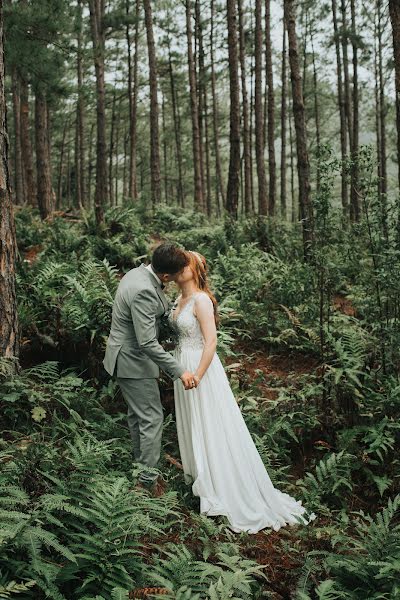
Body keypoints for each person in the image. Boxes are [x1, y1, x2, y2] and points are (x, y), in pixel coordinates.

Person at [169, 249, 317, 534]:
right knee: (192, 424)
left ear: (196, 269)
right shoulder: (178, 299)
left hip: (201, 369)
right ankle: (199, 479)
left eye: (185, 263)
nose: (180, 267)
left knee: (210, 425)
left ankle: (222, 486)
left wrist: (198, 374)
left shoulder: (201, 300)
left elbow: (211, 342)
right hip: (182, 366)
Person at [103, 243, 198, 495]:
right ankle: (146, 483)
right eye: (176, 275)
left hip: (125, 356)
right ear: (165, 276)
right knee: (151, 418)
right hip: (133, 361)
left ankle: (141, 472)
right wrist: (179, 371)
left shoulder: (138, 272)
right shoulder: (144, 290)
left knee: (138, 416)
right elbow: (146, 342)